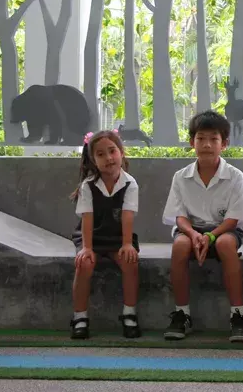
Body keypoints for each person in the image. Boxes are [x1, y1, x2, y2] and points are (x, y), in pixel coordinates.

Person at [162, 111, 243, 342]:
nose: (206, 144)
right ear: (191, 142)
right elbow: (179, 216)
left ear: (224, 144)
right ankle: (182, 313)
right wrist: (194, 234)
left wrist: (210, 237)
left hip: (224, 230)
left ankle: (238, 315)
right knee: (180, 246)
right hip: (190, 230)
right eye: (201, 138)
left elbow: (233, 219)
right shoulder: (180, 177)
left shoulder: (236, 177)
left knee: (225, 244)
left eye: (214, 139)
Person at [69, 130, 141, 339]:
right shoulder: (88, 186)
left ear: (121, 153)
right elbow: (87, 219)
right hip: (92, 237)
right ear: (93, 160)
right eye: (101, 154)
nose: (108, 158)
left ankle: (129, 314)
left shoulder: (130, 184)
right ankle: (80, 317)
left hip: (119, 237)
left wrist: (127, 244)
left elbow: (127, 216)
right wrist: (87, 248)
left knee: (130, 261)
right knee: (84, 263)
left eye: (112, 151)